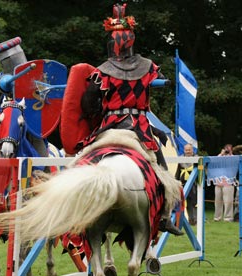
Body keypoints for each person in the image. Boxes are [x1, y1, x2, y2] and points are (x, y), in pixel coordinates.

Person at [76, 3, 183, 235]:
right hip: (140, 128)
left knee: (82, 160)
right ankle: (164, 216)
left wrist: (92, 109)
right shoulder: (148, 67)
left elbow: (88, 103)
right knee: (161, 169)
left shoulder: (102, 71)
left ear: (112, 43)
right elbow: (162, 79)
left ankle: (74, 210)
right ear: (131, 41)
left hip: (110, 126)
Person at [175, 143, 197, 225]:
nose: (187, 151)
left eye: (189, 150)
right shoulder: (180, 159)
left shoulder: (197, 158)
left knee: (194, 203)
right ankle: (182, 220)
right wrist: (176, 182)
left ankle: (195, 219)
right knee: (182, 202)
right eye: (186, 150)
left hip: (193, 184)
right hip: (182, 183)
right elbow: (178, 172)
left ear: (192, 150)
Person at [214, 144, 235, 222]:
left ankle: (228, 217)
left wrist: (228, 155)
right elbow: (214, 163)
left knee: (228, 201)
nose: (227, 151)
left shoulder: (233, 158)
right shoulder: (220, 156)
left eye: (229, 149)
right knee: (217, 201)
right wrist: (221, 154)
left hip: (228, 183)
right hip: (218, 182)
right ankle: (217, 217)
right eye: (226, 149)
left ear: (231, 150)